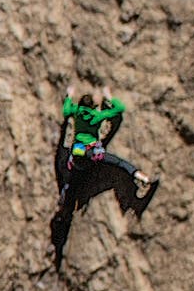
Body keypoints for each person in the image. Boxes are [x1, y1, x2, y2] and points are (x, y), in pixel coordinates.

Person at [50, 89, 156, 258]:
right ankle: (141, 177)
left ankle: (66, 206)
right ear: (93, 107)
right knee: (118, 163)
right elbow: (119, 110)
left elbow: (66, 111)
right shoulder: (97, 116)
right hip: (94, 154)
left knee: (72, 181)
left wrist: (69, 95)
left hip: (78, 156)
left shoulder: (77, 112)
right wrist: (109, 97)